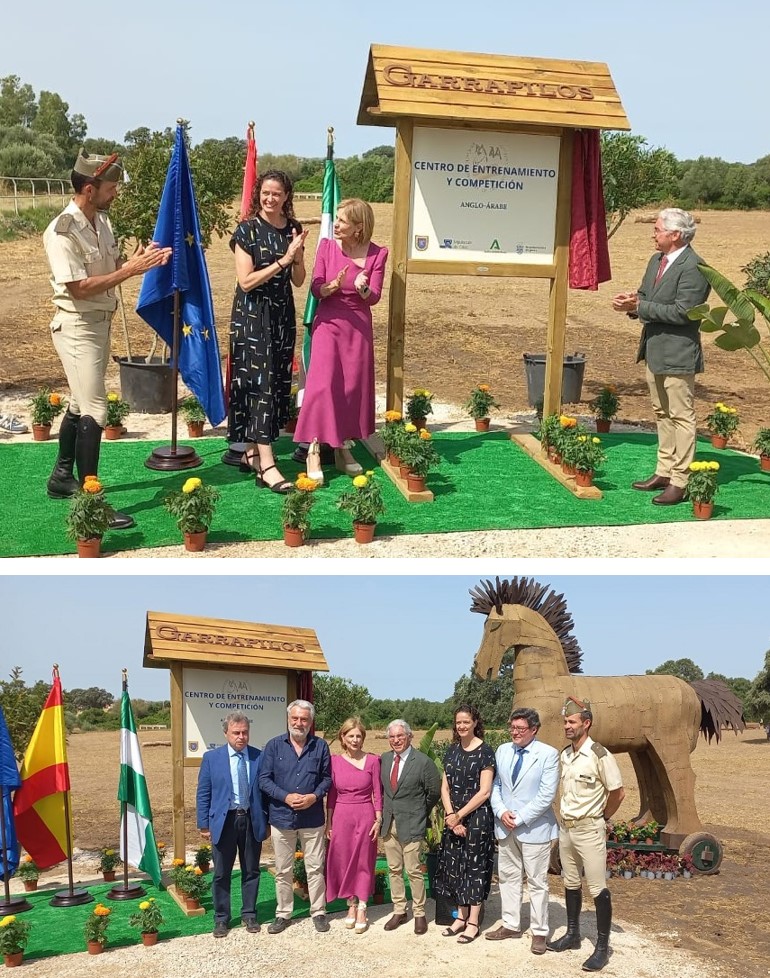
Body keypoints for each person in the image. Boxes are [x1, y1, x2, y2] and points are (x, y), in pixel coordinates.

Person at [42, 148, 172, 527]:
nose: (115, 193)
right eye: (111, 187)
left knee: (80, 404)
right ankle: (91, 500)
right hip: (77, 325)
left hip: (98, 325)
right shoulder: (61, 231)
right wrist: (131, 270)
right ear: (88, 188)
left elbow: (109, 265)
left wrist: (138, 258)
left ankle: (61, 478)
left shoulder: (101, 221)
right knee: (97, 409)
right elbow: (80, 287)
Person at [611, 208, 711, 506]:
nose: (652, 234)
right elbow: (645, 296)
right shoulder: (656, 260)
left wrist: (640, 306)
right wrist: (630, 303)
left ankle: (680, 480)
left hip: (678, 353)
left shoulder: (695, 268)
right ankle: (664, 471)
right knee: (661, 413)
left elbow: (684, 312)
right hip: (654, 349)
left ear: (676, 235)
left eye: (657, 229)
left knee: (681, 416)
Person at [293, 199, 388, 483]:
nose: (336, 225)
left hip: (357, 328)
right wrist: (329, 287)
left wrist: (364, 288)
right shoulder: (326, 247)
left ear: (358, 228)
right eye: (336, 219)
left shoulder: (378, 254)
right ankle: (313, 450)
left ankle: (342, 448)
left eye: (343, 221)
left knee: (350, 389)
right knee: (322, 387)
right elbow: (315, 287)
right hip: (328, 324)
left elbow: (375, 297)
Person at [227, 169, 308, 493]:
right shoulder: (246, 231)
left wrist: (297, 258)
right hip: (251, 316)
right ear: (258, 194)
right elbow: (245, 282)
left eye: (277, 193)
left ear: (286, 196)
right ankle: (269, 465)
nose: (270, 198)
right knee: (258, 385)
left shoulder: (293, 229)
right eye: (265, 193)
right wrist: (282, 261)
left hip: (281, 315)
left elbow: (299, 280)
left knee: (274, 385)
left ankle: (251, 453)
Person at [547, 697, 625, 972]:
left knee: (597, 887)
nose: (566, 726)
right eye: (565, 722)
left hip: (590, 828)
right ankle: (572, 935)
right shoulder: (565, 754)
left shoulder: (600, 755)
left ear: (586, 723)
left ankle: (602, 948)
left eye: (571, 722)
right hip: (567, 828)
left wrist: (603, 817)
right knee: (570, 882)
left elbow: (618, 792)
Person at [486, 707, 559, 954]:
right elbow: (495, 786)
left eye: (520, 729)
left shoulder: (548, 754)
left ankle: (539, 932)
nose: (515, 732)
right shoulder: (503, 750)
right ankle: (511, 924)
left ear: (534, 730)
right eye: (512, 727)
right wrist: (500, 812)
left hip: (534, 828)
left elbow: (546, 794)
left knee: (538, 881)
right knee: (508, 877)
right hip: (505, 826)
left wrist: (520, 818)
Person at [259, 699, 332, 933]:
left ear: (311, 722)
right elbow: (264, 780)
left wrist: (314, 796)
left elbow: (327, 779)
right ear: (288, 719)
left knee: (315, 867)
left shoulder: (320, 747)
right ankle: (283, 914)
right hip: (282, 817)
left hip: (312, 818)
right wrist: (285, 796)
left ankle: (319, 911)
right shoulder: (273, 746)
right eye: (295, 718)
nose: (299, 723)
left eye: (304, 719)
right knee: (283, 869)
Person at [195, 711, 269, 937]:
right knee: (221, 873)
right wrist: (204, 824)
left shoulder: (259, 756)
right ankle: (221, 918)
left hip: (250, 819)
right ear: (226, 733)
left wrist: (266, 820)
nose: (241, 737)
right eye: (236, 733)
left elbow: (265, 792)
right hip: (223, 821)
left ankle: (249, 914)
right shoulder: (212, 758)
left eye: (245, 732)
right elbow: (203, 793)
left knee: (251, 870)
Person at [434, 704, 495, 944]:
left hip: (477, 819)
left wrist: (460, 815)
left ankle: (473, 922)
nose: (461, 726)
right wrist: (451, 815)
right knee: (455, 866)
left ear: (475, 723)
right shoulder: (452, 751)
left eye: (466, 722)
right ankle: (460, 917)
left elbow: (485, 791)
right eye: (458, 722)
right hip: (453, 819)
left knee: (475, 869)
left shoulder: (485, 751)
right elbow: (444, 786)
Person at [380, 719, 441, 935]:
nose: (396, 740)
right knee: (394, 869)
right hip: (389, 825)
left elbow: (433, 792)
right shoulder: (385, 760)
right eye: (392, 736)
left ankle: (419, 913)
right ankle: (399, 910)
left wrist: (418, 812)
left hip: (413, 824)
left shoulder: (423, 762)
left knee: (414, 871)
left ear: (409, 736)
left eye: (400, 736)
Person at [325, 717, 383, 934]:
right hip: (341, 816)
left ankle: (362, 907)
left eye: (359, 736)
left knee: (364, 862)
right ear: (343, 737)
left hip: (365, 815)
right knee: (345, 860)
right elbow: (331, 795)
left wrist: (378, 819)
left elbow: (377, 792)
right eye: (351, 736)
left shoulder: (372, 761)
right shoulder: (334, 762)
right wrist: (329, 821)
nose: (355, 740)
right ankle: (351, 904)